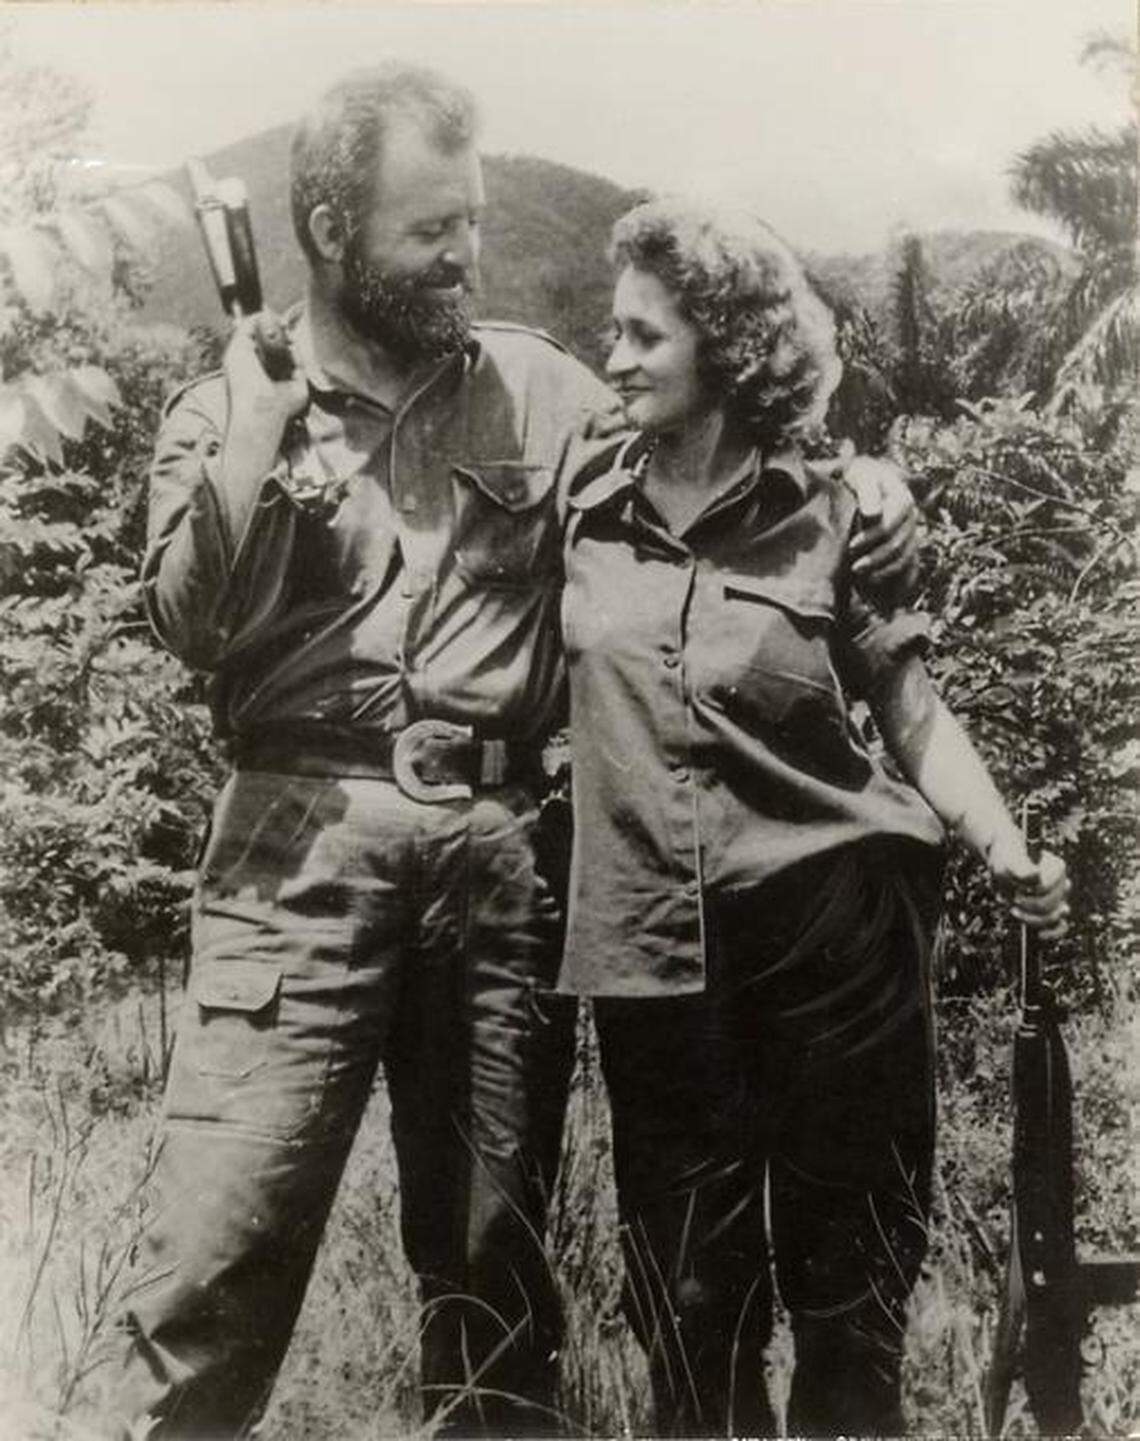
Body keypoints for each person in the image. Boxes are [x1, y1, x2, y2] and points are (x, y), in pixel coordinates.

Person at [110, 65, 919, 1439]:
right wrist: (255, 420)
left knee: (494, 1285)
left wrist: (858, 479)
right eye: (433, 230)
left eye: (475, 223)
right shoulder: (223, 404)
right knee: (213, 1268)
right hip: (292, 857)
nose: (465, 257)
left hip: (499, 870)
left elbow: (715, 453)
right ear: (326, 224)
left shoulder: (542, 392)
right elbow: (190, 620)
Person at [557, 198, 1071, 1438]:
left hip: (835, 944)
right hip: (651, 957)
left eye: (643, 335)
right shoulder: (576, 504)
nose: (614, 357)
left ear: (724, 350)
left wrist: (1008, 851)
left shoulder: (835, 514)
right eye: (612, 333)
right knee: (685, 1310)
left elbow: (910, 709)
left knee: (850, 1302)